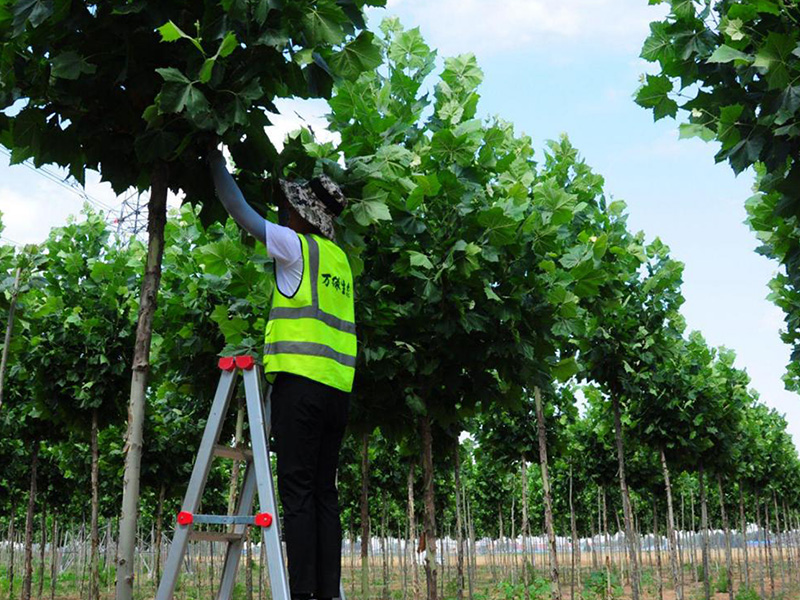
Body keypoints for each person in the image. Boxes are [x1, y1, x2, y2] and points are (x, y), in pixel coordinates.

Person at [206, 143, 356, 600]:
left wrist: (212, 158)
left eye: (290, 207)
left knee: (298, 493)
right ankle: (327, 593)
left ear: (306, 217)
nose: (284, 213)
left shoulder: (296, 247)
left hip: (300, 387)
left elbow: (241, 212)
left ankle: (305, 595)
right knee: (325, 494)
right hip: (337, 392)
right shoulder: (340, 262)